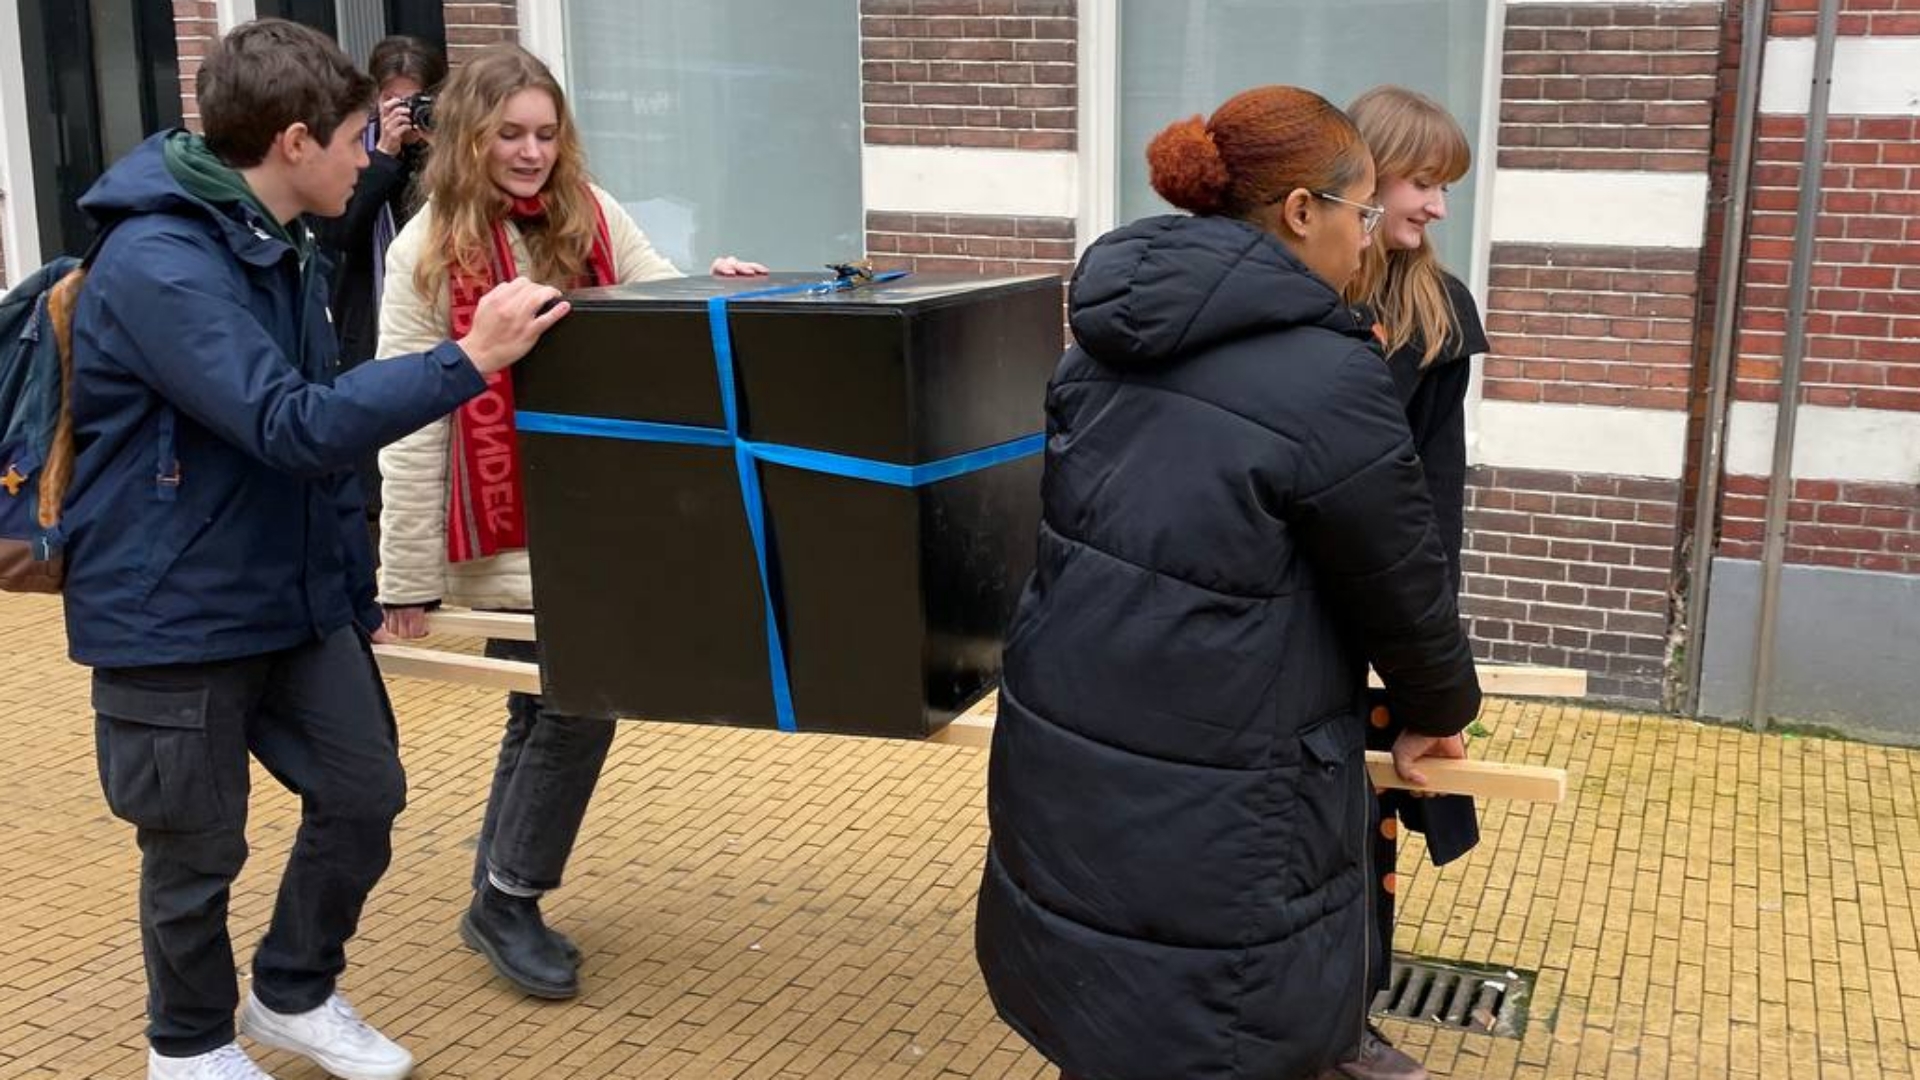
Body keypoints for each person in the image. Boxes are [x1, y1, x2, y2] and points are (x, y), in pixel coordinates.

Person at [63, 19, 568, 1080]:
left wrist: (353, 586)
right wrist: (467, 359)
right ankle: (190, 1048)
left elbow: (317, 443)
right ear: (295, 143)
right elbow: (291, 424)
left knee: (364, 793)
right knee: (196, 851)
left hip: (288, 597)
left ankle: (293, 991)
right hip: (173, 608)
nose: (372, 159)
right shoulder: (162, 260)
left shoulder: (276, 239)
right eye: (353, 140)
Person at [973, 85, 1482, 1080]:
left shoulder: (1098, 347)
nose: (1367, 234)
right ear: (1302, 211)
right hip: (1226, 760)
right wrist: (1438, 705)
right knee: (1217, 1017)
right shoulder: (1326, 377)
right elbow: (1399, 576)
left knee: (1105, 989)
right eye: (1359, 211)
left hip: (1073, 737)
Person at [374, 43, 765, 1002]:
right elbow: (408, 422)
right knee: (580, 698)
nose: (531, 151)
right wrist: (402, 579)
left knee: (550, 701)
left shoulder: (591, 215)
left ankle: (496, 891)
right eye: (509, 133)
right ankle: (508, 896)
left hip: (598, 512)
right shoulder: (422, 250)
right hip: (501, 524)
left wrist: (725, 287)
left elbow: (663, 306)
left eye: (546, 133)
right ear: (469, 136)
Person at [1337, 85, 1491, 1080]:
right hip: (1271, 618)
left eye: (1445, 189)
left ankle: (1348, 1021)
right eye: (1423, 182)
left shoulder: (1436, 314)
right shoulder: (1300, 301)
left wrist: (1424, 652)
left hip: (1371, 612)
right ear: (1365, 174)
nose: (1438, 208)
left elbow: (1434, 501)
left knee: (1371, 822)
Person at [309, 35, 447, 526]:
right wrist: (386, 153)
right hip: (370, 317)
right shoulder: (357, 152)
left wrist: (438, 149)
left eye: (415, 100)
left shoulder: (448, 150)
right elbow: (340, 232)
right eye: (393, 100)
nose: (404, 111)